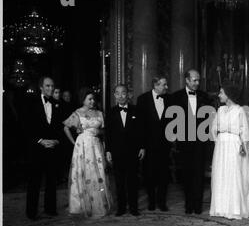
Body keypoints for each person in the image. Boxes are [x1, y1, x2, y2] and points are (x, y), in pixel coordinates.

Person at [63, 88, 112, 217]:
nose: (92, 101)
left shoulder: (100, 113)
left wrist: (99, 132)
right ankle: (80, 205)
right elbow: (66, 127)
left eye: (93, 99)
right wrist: (74, 142)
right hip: (82, 146)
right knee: (84, 172)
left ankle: (99, 203)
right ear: (83, 99)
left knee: (98, 172)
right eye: (89, 99)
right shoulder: (77, 113)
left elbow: (105, 131)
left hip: (96, 146)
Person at [171, 69, 213, 214]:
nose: (197, 83)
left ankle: (198, 206)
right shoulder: (176, 97)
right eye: (194, 80)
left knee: (199, 174)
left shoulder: (205, 97)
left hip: (201, 141)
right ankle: (189, 205)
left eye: (198, 80)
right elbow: (171, 119)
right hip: (183, 142)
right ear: (187, 80)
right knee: (186, 174)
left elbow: (210, 118)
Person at [210, 84, 249, 219]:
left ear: (228, 94)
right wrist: (219, 140)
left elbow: (245, 131)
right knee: (220, 174)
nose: (219, 95)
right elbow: (213, 128)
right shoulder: (220, 110)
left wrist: (244, 147)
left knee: (233, 174)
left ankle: (234, 209)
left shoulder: (239, 110)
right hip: (221, 146)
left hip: (234, 145)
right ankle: (220, 208)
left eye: (221, 92)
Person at [25, 76, 63, 220]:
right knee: (34, 181)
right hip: (37, 148)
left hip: (52, 147)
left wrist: (56, 141)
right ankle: (31, 212)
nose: (50, 88)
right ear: (41, 87)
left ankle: (50, 209)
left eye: (52, 86)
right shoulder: (31, 103)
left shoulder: (57, 103)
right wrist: (40, 141)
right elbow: (26, 126)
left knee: (51, 180)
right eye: (47, 86)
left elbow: (60, 127)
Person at [106, 85, 145, 216]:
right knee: (119, 181)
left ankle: (134, 208)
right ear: (115, 96)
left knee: (133, 181)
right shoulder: (110, 112)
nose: (121, 96)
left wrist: (142, 147)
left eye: (123, 93)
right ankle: (121, 208)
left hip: (133, 152)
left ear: (128, 95)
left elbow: (141, 131)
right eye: (118, 93)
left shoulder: (136, 110)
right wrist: (108, 151)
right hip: (117, 152)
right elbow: (108, 134)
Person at [137, 76, 171, 211]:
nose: (166, 87)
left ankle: (162, 202)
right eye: (164, 85)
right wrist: (141, 146)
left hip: (165, 144)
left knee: (164, 175)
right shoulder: (143, 99)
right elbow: (139, 126)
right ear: (156, 85)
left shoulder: (169, 99)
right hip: (148, 145)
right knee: (149, 174)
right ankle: (151, 201)